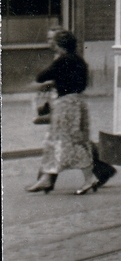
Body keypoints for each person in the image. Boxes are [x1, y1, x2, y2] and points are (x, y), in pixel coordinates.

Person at [25, 30, 112, 194]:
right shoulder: (80, 61)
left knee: (67, 142)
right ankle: (45, 178)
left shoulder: (62, 60)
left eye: (55, 43)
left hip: (65, 106)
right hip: (79, 103)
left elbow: (42, 76)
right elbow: (83, 83)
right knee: (61, 140)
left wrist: (45, 83)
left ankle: (88, 179)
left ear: (59, 46)